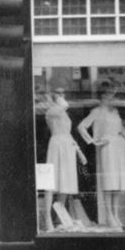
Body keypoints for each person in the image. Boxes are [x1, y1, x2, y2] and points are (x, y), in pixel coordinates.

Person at [77, 84, 125, 228]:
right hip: (107, 147)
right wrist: (93, 141)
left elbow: (122, 131)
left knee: (117, 182)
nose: (113, 97)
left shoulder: (115, 112)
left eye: (113, 94)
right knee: (109, 181)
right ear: (103, 96)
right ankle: (109, 215)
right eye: (110, 94)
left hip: (119, 146)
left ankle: (115, 215)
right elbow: (81, 126)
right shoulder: (97, 111)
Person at [41, 89, 87, 230]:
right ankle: (47, 216)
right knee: (51, 181)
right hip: (57, 145)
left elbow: (68, 134)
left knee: (65, 182)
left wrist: (79, 151)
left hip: (67, 145)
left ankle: (58, 217)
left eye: (63, 93)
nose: (61, 95)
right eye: (58, 92)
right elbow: (64, 105)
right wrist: (57, 99)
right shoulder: (51, 111)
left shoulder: (63, 112)